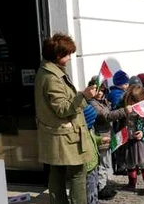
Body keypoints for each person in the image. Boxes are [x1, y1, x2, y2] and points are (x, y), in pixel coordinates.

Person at [34, 33, 97, 204]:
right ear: (57, 55)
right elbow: (62, 109)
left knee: (57, 172)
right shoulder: (51, 77)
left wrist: (81, 96)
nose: (70, 58)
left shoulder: (50, 72)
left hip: (57, 133)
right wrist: (84, 96)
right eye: (67, 54)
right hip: (64, 134)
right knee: (77, 172)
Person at [87, 77, 132, 200]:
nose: (100, 92)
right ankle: (101, 188)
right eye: (97, 90)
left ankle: (104, 184)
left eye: (102, 90)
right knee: (102, 164)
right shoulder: (92, 103)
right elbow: (105, 115)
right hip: (100, 136)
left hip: (107, 134)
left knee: (106, 162)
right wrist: (124, 111)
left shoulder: (103, 101)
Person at [122, 85, 144, 193]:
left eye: (134, 100)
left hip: (139, 140)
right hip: (128, 138)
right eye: (130, 100)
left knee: (143, 162)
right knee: (130, 163)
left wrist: (143, 132)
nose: (132, 102)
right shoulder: (124, 105)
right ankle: (132, 183)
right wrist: (124, 110)